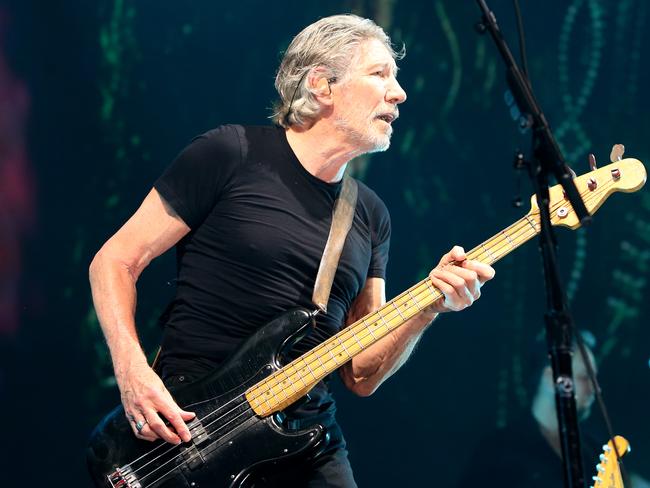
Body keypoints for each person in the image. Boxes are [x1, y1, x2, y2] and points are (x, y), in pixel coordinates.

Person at [89, 14, 495, 487]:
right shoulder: (228, 153)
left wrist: (430, 305)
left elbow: (362, 373)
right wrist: (133, 371)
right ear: (322, 85)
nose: (399, 92)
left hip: (307, 439)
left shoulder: (370, 215)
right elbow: (115, 261)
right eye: (380, 73)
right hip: (188, 424)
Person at [457, 333, 649, 488]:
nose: (596, 388)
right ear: (551, 378)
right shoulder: (499, 451)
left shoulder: (595, 452)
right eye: (585, 377)